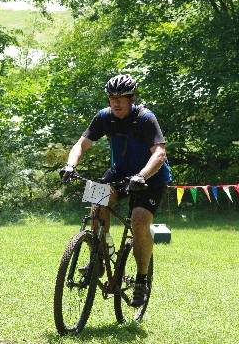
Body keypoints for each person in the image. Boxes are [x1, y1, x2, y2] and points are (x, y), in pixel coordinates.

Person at [60, 74, 172, 308]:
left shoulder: (145, 118)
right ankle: (99, 256)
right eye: (112, 98)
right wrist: (71, 165)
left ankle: (141, 280)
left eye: (121, 98)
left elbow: (159, 153)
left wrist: (141, 176)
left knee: (140, 222)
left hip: (150, 177)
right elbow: (81, 144)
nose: (116, 103)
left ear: (132, 99)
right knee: (95, 199)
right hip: (120, 172)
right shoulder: (105, 117)